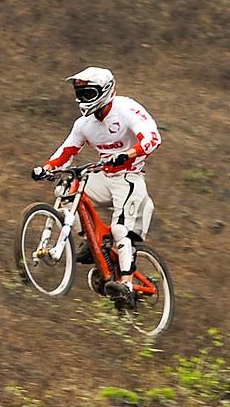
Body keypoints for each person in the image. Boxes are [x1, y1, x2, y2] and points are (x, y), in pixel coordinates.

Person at [32, 66, 160, 303]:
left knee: (121, 230)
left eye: (88, 94)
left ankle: (126, 284)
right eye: (80, 94)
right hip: (104, 176)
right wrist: (47, 168)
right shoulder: (84, 124)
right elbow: (67, 151)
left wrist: (128, 154)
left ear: (106, 91)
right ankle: (93, 243)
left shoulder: (126, 109)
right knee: (66, 190)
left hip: (129, 177)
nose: (83, 99)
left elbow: (153, 138)